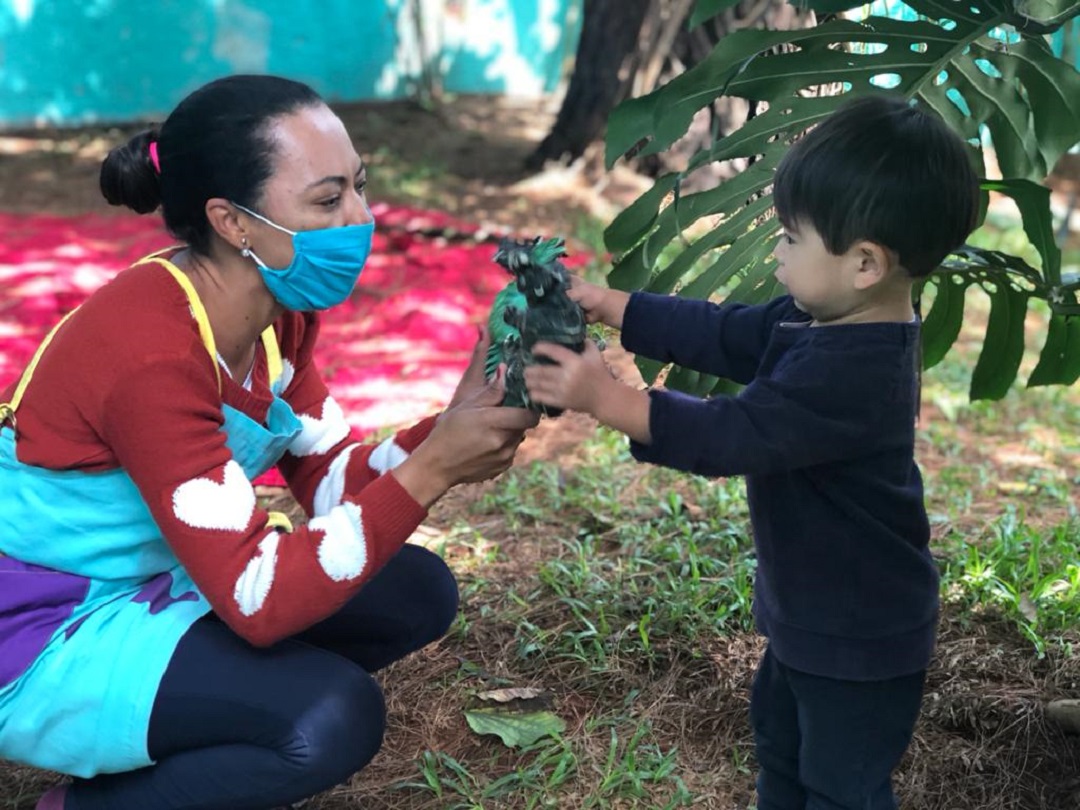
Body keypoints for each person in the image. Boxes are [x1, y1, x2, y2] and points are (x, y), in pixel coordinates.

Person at [0, 74, 538, 810]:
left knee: (416, 591)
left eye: (359, 187)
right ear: (233, 222)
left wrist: (454, 421)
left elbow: (333, 479)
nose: (361, 218)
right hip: (45, 627)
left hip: (164, 580)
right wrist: (437, 465)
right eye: (327, 200)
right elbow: (260, 601)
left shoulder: (273, 312)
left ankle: (197, 714)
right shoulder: (150, 352)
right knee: (329, 719)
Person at [524, 94, 979, 809]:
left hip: (860, 635)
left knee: (842, 788)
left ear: (865, 262)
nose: (776, 252)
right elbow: (725, 332)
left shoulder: (858, 371)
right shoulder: (820, 316)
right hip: (810, 616)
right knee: (780, 750)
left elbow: (734, 435)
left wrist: (607, 401)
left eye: (792, 239)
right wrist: (615, 306)